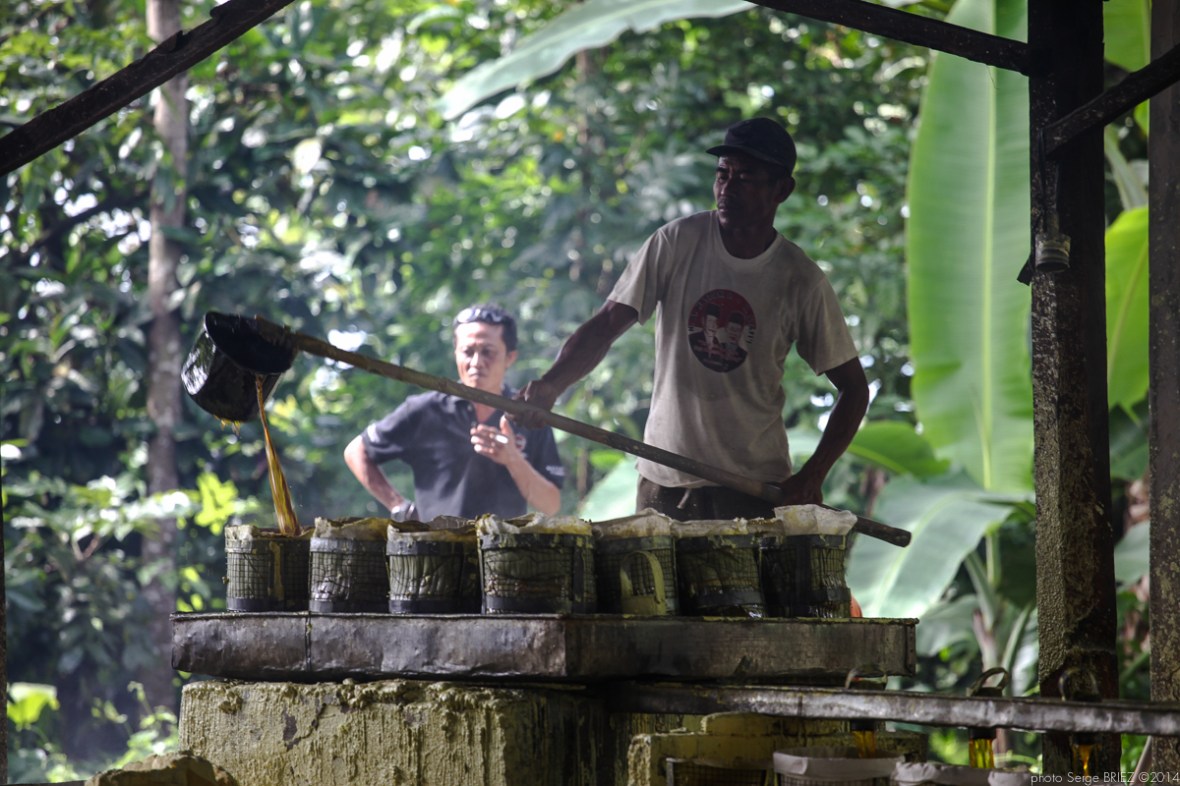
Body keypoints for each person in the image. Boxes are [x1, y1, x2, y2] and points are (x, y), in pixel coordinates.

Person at [515, 117, 869, 522]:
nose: (727, 188)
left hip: (751, 490)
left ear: (782, 190)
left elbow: (854, 389)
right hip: (663, 482)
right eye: (722, 174)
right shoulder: (676, 242)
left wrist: (813, 474)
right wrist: (550, 385)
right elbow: (606, 324)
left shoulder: (799, 280)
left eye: (746, 178)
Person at [344, 304, 565, 522]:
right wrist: (399, 506)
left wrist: (513, 459)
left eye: (488, 352)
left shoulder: (528, 417)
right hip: (435, 551)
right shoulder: (425, 410)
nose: (476, 363)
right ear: (456, 353)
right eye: (468, 351)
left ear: (510, 357)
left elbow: (551, 505)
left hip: (504, 553)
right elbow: (356, 451)